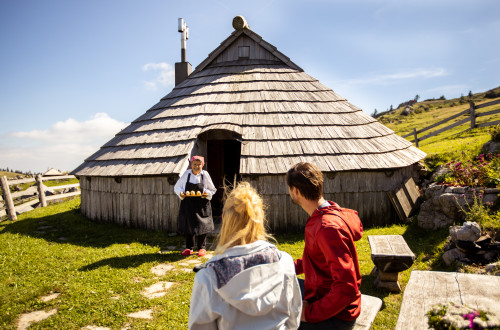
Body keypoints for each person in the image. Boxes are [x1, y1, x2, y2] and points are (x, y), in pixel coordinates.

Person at [188, 181, 302, 330]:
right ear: (260, 219)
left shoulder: (209, 277)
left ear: (224, 219)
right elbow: (293, 318)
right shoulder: (284, 262)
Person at [286, 162, 363, 329]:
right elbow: (317, 259)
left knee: (272, 321)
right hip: (323, 294)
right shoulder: (323, 215)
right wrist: (283, 267)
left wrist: (309, 314)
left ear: (295, 191)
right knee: (280, 284)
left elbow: (346, 287)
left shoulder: (327, 228)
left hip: (337, 316)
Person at [174, 155, 217, 257]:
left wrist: (207, 193)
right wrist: (181, 193)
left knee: (203, 225)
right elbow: (177, 187)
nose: (197, 167)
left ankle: (202, 248)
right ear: (191, 165)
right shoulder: (186, 174)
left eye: (199, 165)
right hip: (188, 204)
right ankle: (189, 248)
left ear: (202, 165)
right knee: (188, 224)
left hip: (202, 204)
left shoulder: (205, 174)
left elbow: (213, 189)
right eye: (195, 164)